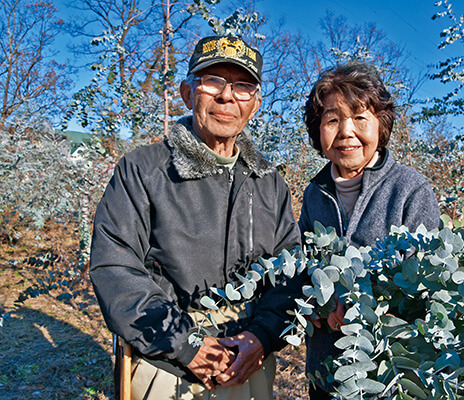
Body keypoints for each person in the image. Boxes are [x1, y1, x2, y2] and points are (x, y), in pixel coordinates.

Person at [89, 35, 301, 400]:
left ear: (255, 104)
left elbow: (292, 272)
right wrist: (188, 344)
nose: (226, 96)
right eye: (212, 80)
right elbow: (115, 266)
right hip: (168, 365)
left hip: (250, 365)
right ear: (189, 93)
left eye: (242, 86)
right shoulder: (144, 170)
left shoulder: (270, 184)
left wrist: (262, 337)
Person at [298, 61, 441, 399]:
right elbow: (302, 263)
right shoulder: (314, 192)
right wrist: (321, 298)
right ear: (318, 130)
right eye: (332, 120)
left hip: (390, 377)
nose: (346, 131)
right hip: (327, 374)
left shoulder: (410, 190)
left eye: (360, 118)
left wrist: (365, 307)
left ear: (382, 125)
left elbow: (426, 286)